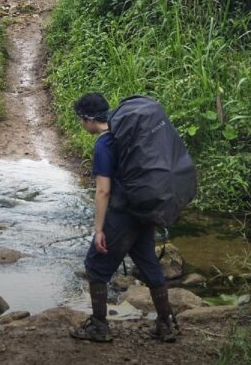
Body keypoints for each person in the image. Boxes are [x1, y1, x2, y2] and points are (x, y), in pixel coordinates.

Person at [69, 93, 177, 344]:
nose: (81, 124)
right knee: (149, 263)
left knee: (95, 266)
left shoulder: (105, 144)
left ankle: (99, 326)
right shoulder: (127, 137)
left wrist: (98, 230)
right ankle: (166, 324)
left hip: (122, 215)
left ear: (87, 119)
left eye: (80, 120)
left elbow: (103, 190)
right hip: (143, 211)